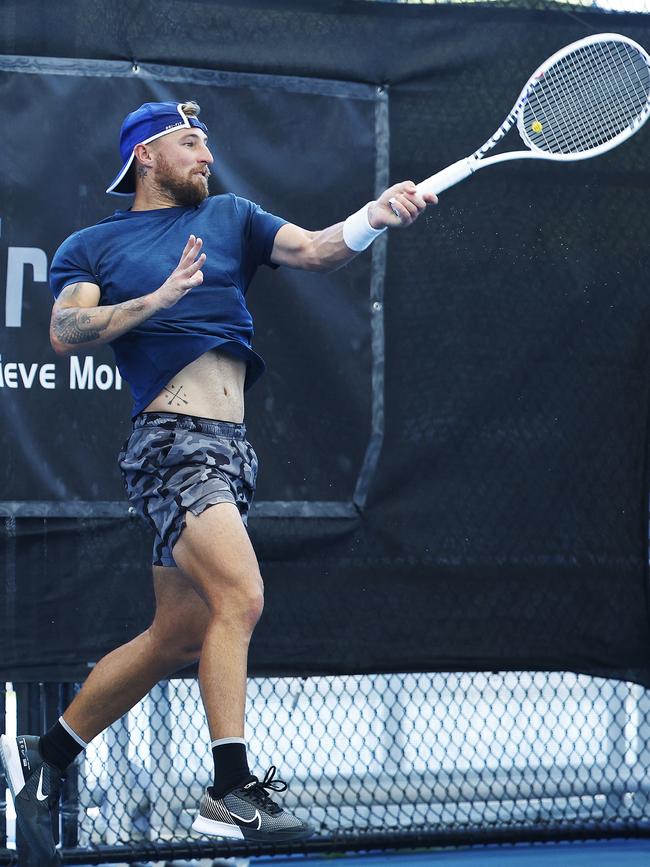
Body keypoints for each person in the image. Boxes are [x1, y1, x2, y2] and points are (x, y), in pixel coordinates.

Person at [0, 100, 436, 864]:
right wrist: (154, 301)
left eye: (207, 144)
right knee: (242, 596)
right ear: (145, 156)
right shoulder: (92, 245)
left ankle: (52, 752)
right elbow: (64, 333)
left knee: (175, 634)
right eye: (190, 142)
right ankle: (231, 791)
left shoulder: (233, 215)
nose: (206, 155)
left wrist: (376, 212)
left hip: (231, 449)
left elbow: (318, 250)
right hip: (171, 445)